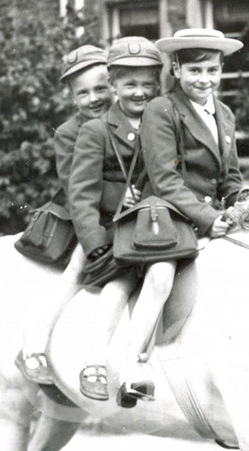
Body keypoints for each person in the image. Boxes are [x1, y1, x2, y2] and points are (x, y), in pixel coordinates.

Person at [113, 28, 247, 406]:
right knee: (160, 277)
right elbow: (164, 179)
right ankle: (132, 365)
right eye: (195, 71)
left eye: (212, 70)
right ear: (176, 70)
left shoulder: (224, 114)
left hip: (211, 216)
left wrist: (246, 203)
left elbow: (231, 179)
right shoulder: (162, 109)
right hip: (168, 213)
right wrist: (208, 217)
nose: (205, 80)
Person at [67, 37, 165, 401]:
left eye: (147, 84)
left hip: (158, 221)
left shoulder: (166, 121)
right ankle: (94, 361)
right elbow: (82, 194)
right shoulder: (96, 130)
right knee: (120, 279)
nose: (139, 92)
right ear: (114, 86)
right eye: (129, 84)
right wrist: (95, 245)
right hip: (116, 227)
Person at [16, 44, 113, 384]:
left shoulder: (128, 120)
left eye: (101, 88)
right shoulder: (69, 133)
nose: (93, 98)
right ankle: (34, 344)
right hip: (90, 216)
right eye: (83, 93)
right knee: (76, 268)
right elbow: (76, 188)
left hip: (129, 212)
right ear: (72, 97)